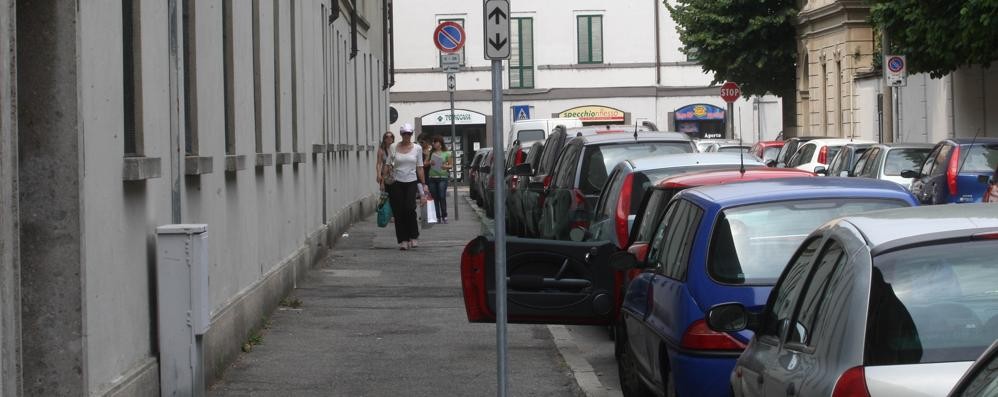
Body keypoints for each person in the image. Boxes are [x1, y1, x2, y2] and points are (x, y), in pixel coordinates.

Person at [386, 123, 429, 250]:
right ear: (401, 134)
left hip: (411, 181)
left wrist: (423, 184)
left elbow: (420, 167)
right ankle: (403, 240)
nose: (407, 136)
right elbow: (388, 164)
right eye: (404, 133)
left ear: (411, 134)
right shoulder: (393, 147)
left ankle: (413, 236)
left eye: (409, 133)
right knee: (399, 211)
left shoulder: (417, 148)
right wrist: (383, 178)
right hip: (396, 182)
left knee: (410, 208)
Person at [426, 135, 453, 223]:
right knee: (435, 197)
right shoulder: (430, 153)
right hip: (432, 177)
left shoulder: (447, 153)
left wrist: (445, 166)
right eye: (433, 142)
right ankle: (437, 217)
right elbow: (424, 163)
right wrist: (430, 162)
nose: (433, 143)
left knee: (442, 196)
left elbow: (451, 165)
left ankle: (444, 215)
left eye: (435, 142)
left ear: (440, 143)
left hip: (442, 177)